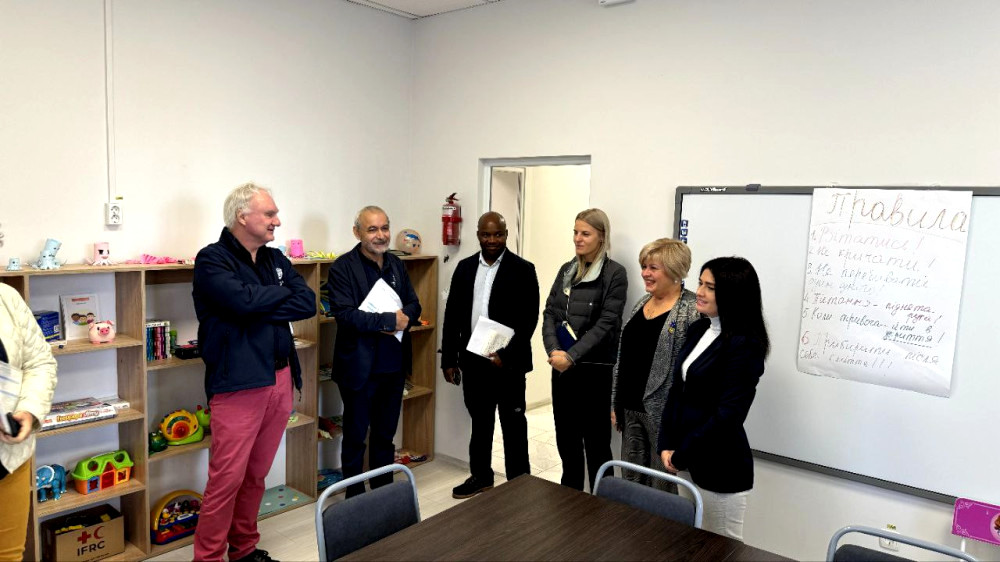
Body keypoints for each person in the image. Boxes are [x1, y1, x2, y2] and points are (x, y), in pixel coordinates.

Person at [192, 183, 316, 562]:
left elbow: (307, 302)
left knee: (256, 475)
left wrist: (254, 302)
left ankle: (243, 550)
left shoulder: (275, 259)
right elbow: (242, 303)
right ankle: (207, 558)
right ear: (243, 216)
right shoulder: (212, 259)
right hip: (238, 384)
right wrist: (260, 300)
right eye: (270, 214)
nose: (277, 220)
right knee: (226, 480)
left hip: (280, 378)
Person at [658, 256, 769, 541]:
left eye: (711, 287)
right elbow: (677, 392)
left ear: (733, 295)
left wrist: (682, 453)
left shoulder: (745, 346)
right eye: (700, 283)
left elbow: (728, 416)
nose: (700, 292)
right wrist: (667, 444)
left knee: (721, 550)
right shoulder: (699, 329)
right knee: (691, 543)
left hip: (720, 466)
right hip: (685, 458)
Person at [441, 212, 540, 498]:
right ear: (478, 235)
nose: (492, 240)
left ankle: (519, 484)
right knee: (480, 423)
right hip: (473, 361)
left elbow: (528, 320)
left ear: (506, 235)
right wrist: (449, 359)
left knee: (513, 425)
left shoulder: (523, 269)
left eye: (498, 234)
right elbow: (452, 316)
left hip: (508, 364)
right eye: (486, 234)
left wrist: (505, 355)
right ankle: (481, 476)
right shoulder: (464, 268)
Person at [328, 205, 420, 497]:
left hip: (393, 367)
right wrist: (388, 321)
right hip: (359, 370)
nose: (380, 235)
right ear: (357, 232)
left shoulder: (396, 264)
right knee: (356, 438)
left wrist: (406, 316)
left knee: (385, 437)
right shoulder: (342, 268)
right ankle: (354, 501)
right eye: (372, 229)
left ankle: (382, 497)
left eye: (384, 228)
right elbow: (345, 315)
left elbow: (414, 304)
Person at [542, 208, 627, 491]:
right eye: (575, 232)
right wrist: (554, 351)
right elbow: (550, 314)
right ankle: (570, 501)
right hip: (562, 369)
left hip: (594, 372)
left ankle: (603, 506)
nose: (578, 239)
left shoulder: (615, 274)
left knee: (597, 446)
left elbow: (607, 323)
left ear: (601, 237)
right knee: (567, 443)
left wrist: (572, 356)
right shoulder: (566, 270)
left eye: (585, 234)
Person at [610, 238, 699, 492]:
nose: (645, 273)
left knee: (662, 490)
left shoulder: (692, 311)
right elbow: (623, 358)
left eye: (653, 268)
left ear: (674, 271)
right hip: (631, 410)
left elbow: (692, 375)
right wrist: (616, 402)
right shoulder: (642, 303)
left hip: (664, 419)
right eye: (644, 266)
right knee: (631, 485)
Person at [0, 284, 57, 561]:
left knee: (9, 555)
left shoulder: (6, 297)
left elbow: (39, 363)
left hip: (8, 458)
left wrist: (29, 410)